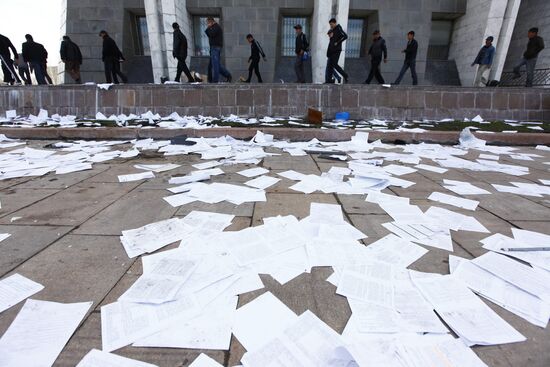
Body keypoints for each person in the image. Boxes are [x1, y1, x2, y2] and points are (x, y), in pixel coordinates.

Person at [205, 17, 232, 83]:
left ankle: (215, 81)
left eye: (208, 23)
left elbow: (211, 34)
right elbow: (210, 35)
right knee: (213, 66)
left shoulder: (216, 27)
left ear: (211, 22)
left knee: (215, 66)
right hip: (213, 48)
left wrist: (208, 28)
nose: (207, 24)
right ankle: (227, 75)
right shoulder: (214, 27)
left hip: (215, 48)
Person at [326, 18, 348, 83]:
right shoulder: (333, 30)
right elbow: (332, 41)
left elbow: (345, 36)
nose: (331, 26)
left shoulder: (338, 28)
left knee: (334, 64)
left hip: (336, 50)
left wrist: (337, 42)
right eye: (330, 25)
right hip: (331, 51)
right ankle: (329, 81)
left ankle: (345, 75)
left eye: (331, 24)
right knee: (330, 65)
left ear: (335, 23)